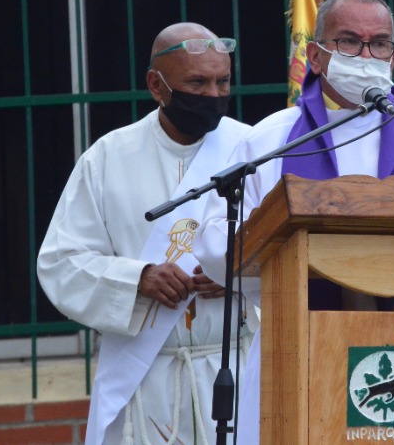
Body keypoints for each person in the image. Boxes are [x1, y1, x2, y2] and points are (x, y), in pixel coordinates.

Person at [193, 0, 394, 445]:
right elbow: (219, 244)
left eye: (379, 44)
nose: (366, 55)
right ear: (316, 56)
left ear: (393, 58)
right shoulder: (271, 140)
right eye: (350, 41)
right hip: (298, 347)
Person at [37, 23, 254, 445]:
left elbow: (293, 252)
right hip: (147, 376)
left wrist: (241, 274)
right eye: (197, 83)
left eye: (223, 82)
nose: (213, 94)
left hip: (235, 367)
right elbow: (61, 262)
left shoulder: (254, 148)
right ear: (157, 85)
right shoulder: (108, 158)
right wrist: (139, 278)